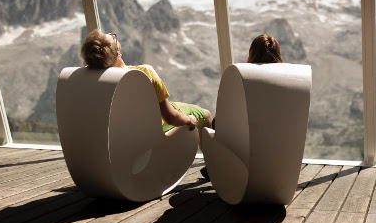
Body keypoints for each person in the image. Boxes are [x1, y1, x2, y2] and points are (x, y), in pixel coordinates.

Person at [80, 29, 213, 133]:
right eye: (113, 37)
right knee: (206, 115)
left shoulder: (86, 77)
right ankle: (212, 166)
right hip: (153, 126)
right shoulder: (143, 73)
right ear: (117, 54)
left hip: (121, 130)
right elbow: (171, 118)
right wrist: (189, 120)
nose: (113, 35)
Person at [200, 33, 284, 180]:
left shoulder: (243, 76)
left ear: (252, 53)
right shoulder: (288, 78)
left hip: (246, 140)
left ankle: (218, 166)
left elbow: (227, 113)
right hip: (277, 141)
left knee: (216, 122)